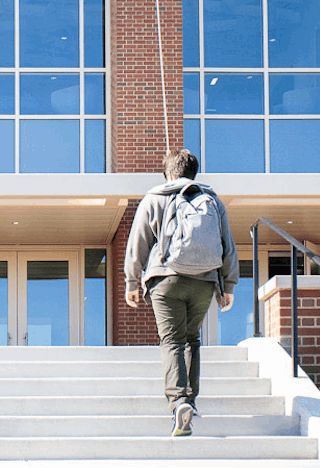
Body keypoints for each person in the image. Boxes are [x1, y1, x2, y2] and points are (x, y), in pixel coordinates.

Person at [124, 148, 238, 437]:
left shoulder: (155, 197)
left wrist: (131, 281)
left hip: (166, 280)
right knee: (192, 339)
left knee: (172, 340)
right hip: (204, 281)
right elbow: (228, 245)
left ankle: (178, 403)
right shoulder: (211, 200)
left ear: (170, 173)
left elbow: (138, 241)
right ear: (193, 172)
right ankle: (191, 400)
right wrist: (229, 285)